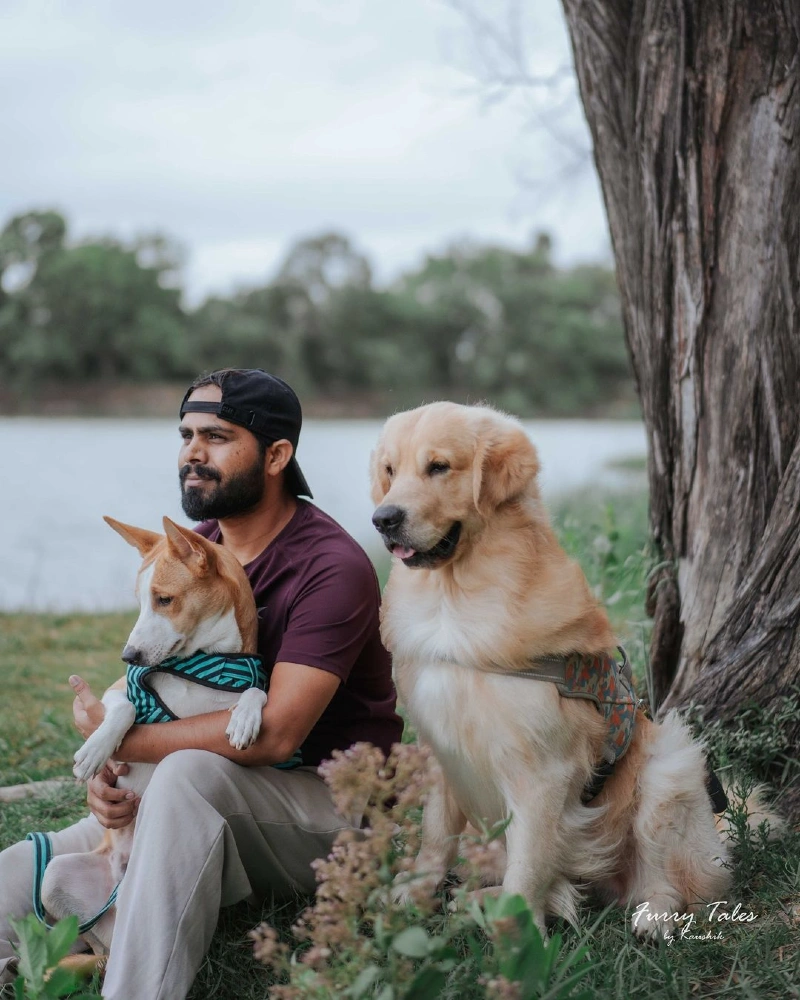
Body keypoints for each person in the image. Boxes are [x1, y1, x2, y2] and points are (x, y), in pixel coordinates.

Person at [0, 368, 403, 1000]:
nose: (192, 451)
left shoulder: (332, 566)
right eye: (186, 433)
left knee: (188, 771)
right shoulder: (194, 549)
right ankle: (51, 952)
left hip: (329, 808)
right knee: (16, 874)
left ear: (276, 455)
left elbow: (272, 736)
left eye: (216, 436)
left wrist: (126, 748)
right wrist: (110, 777)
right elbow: (144, 688)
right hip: (188, 799)